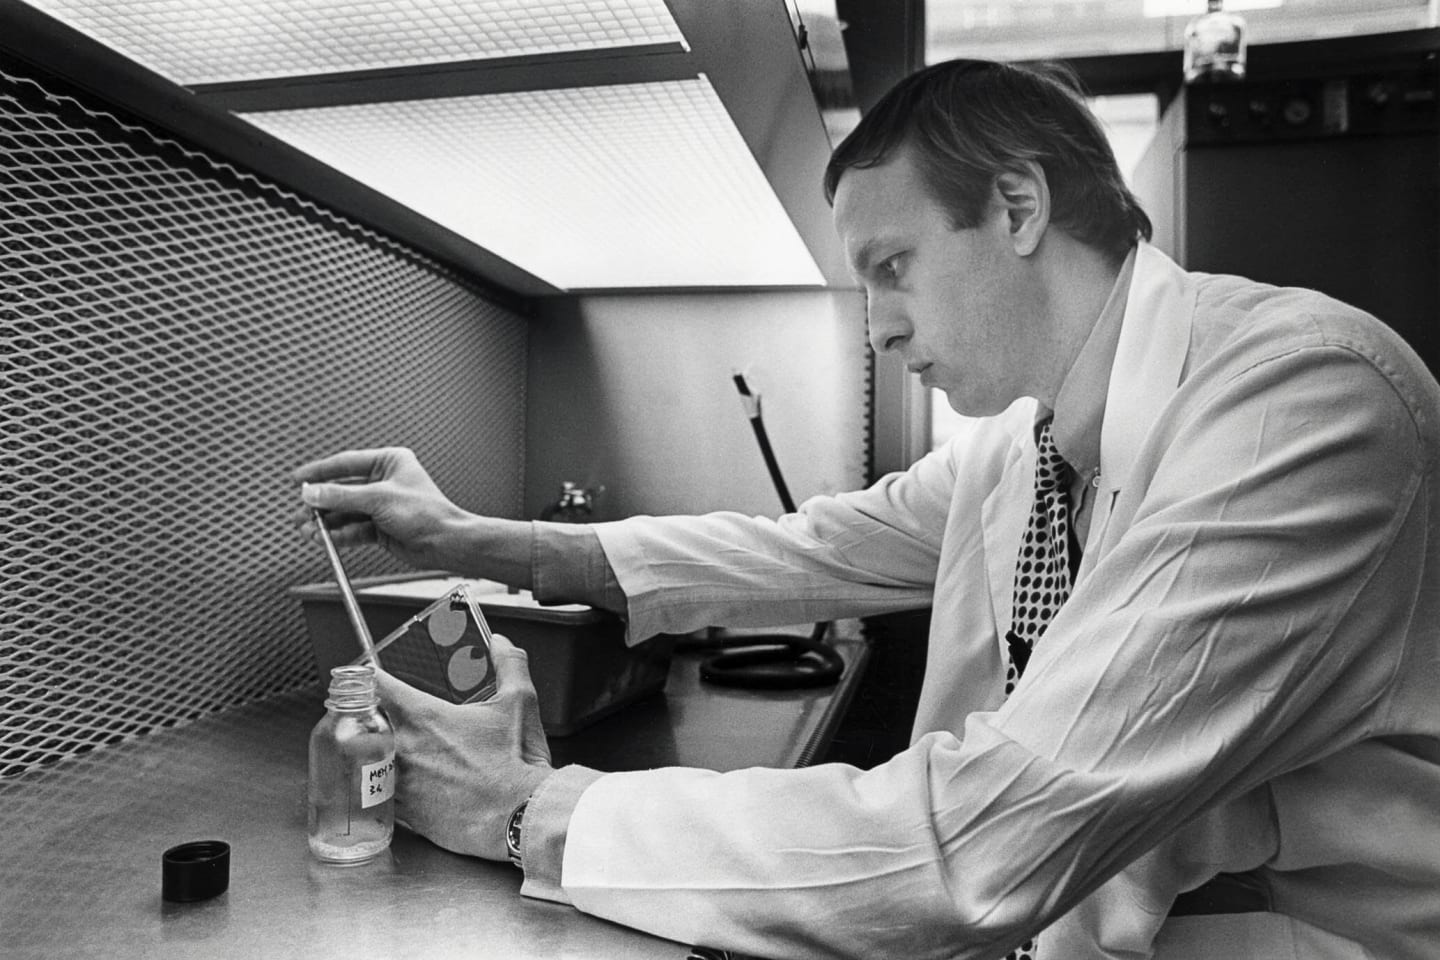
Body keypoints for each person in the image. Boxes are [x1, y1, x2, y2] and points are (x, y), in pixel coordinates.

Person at [293, 59, 1440, 960]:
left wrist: (528, 811)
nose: (878, 327)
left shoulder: (1301, 400)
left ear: (1018, 205)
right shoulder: (1027, 448)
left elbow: (985, 837)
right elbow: (804, 549)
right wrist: (473, 541)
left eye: (891, 265)